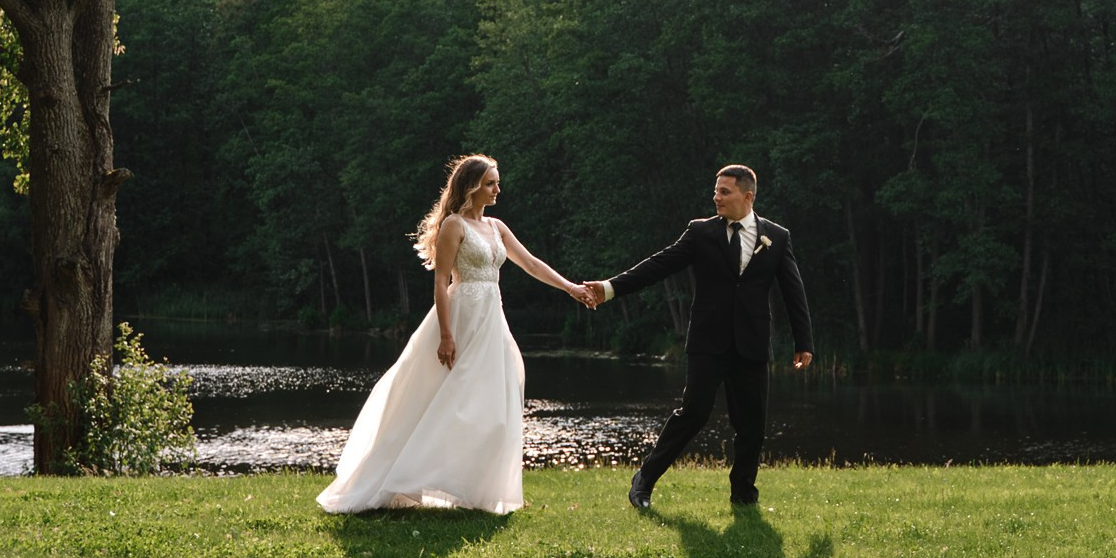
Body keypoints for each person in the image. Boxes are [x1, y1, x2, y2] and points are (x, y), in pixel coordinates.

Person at [318, 154, 592, 513]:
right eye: (491, 183)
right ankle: (401, 478)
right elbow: (440, 280)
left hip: (492, 318)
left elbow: (531, 264)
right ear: (472, 187)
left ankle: (479, 491)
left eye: (497, 182)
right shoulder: (453, 225)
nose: (498, 189)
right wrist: (446, 335)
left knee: (493, 401)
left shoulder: (497, 227)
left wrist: (570, 287)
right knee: (446, 400)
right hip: (461, 316)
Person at [582, 164, 813, 508]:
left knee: (751, 424)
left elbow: (793, 291)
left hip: (751, 342)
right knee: (694, 413)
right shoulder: (700, 232)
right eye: (716, 191)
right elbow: (658, 265)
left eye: (724, 192)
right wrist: (610, 288)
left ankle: (743, 497)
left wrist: (804, 342)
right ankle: (644, 480)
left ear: (747, 196)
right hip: (708, 342)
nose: (715, 197)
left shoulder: (777, 237)